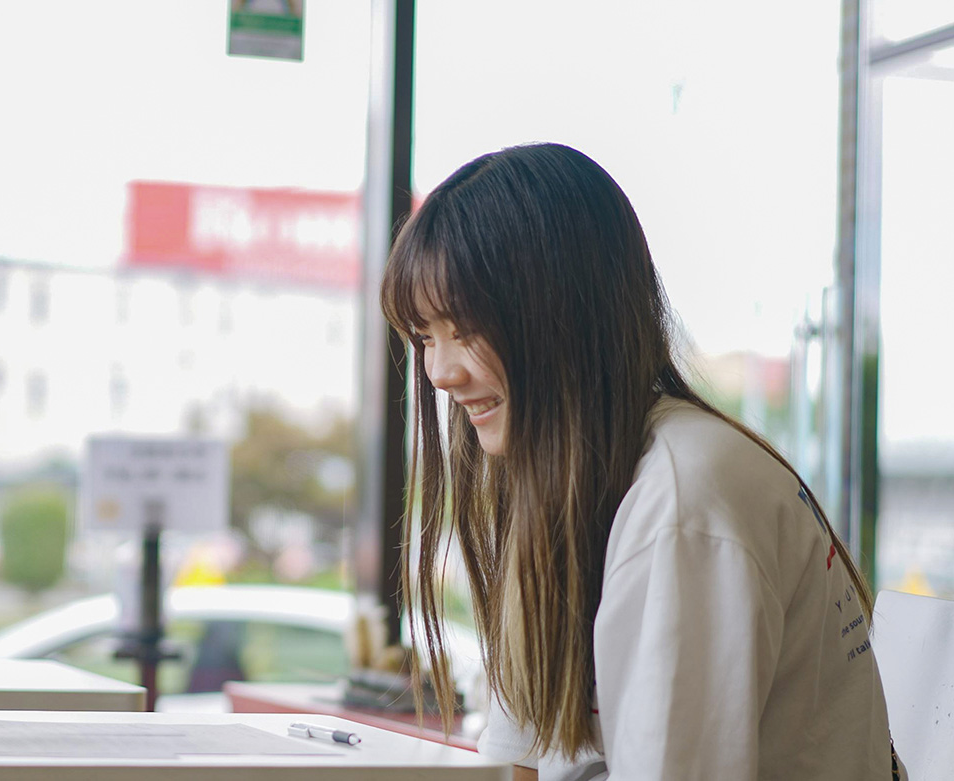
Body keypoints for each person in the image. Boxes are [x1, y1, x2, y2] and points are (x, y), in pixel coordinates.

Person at [382, 143, 901, 780]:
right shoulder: (569, 484)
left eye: (463, 328)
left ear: (560, 311)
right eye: (424, 336)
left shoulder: (683, 500)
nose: (439, 372)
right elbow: (516, 760)